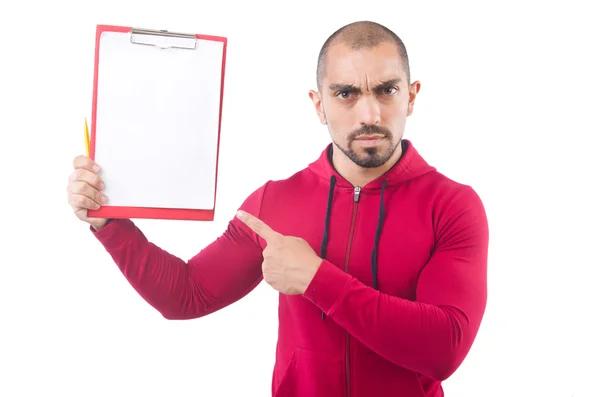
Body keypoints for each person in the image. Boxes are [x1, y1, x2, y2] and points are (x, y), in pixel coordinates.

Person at [67, 20, 489, 397]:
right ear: (318, 104)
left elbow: (445, 349)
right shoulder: (275, 201)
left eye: (387, 89)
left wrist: (317, 279)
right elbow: (186, 295)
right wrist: (110, 224)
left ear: (411, 96)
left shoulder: (452, 205)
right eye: (346, 93)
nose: (370, 113)